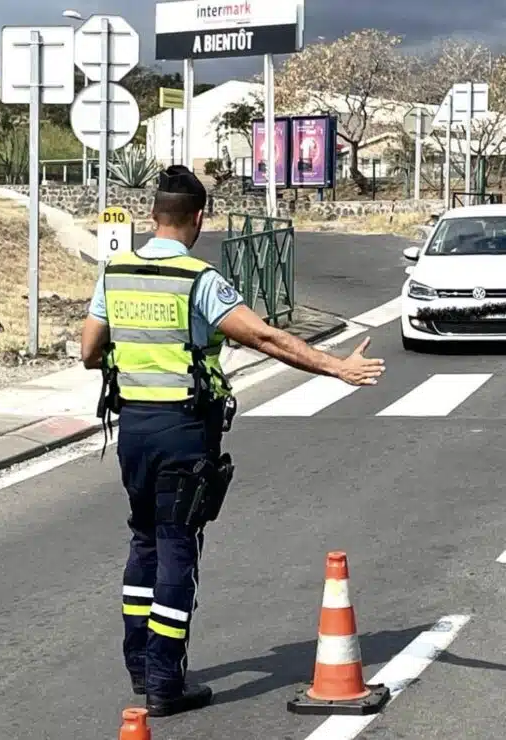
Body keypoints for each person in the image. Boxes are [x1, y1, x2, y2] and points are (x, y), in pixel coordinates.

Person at [79, 165, 384, 717]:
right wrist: (336, 367)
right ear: (199, 218)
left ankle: (140, 667)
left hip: (133, 430)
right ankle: (166, 684)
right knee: (177, 547)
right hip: (183, 431)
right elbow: (265, 336)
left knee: (143, 541)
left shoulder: (115, 272)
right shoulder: (199, 280)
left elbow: (89, 350)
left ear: (152, 215)